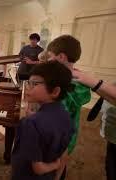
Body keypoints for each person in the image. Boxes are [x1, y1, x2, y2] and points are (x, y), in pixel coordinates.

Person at [11, 61, 74, 180]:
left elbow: (38, 168)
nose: (28, 87)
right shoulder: (66, 116)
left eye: (34, 84)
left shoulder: (30, 123)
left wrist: (54, 165)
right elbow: (64, 153)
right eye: (28, 82)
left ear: (55, 91)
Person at [46, 35, 91, 179]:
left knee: (53, 169)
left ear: (61, 57)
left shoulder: (65, 86)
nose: (48, 60)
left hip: (56, 140)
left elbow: (53, 118)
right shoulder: (80, 78)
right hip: (69, 136)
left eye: (50, 57)